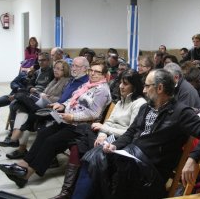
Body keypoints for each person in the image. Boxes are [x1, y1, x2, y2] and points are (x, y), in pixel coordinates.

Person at [71, 69, 200, 198]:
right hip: (132, 157)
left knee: (105, 167)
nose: (143, 90)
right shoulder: (147, 107)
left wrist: (193, 158)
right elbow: (131, 133)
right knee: (93, 157)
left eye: (147, 86)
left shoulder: (181, 112)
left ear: (159, 88)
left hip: (151, 169)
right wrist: (115, 145)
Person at [0, 60, 111, 188]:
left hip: (82, 127)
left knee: (51, 141)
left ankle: (25, 175)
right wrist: (62, 105)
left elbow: (94, 114)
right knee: (43, 133)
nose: (93, 74)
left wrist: (72, 116)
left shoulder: (101, 90)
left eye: (97, 72)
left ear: (104, 75)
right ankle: (23, 164)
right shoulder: (87, 85)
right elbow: (72, 100)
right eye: (92, 70)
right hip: (67, 120)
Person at [51, 69, 146, 199]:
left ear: (134, 87)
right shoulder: (120, 101)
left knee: (88, 151)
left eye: (125, 84)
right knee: (77, 145)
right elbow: (109, 122)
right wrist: (102, 134)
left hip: (121, 140)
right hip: (108, 135)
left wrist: (104, 130)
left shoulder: (139, 104)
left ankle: (74, 194)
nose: (121, 86)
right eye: (120, 83)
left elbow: (130, 132)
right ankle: (67, 192)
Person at [6, 57, 90, 160]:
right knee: (23, 109)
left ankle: (15, 140)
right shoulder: (71, 80)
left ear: (85, 68)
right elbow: (60, 96)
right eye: (73, 65)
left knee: (23, 102)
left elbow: (71, 102)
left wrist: (55, 102)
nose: (73, 68)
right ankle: (20, 146)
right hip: (52, 106)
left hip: (60, 113)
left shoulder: (84, 83)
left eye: (77, 66)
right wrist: (45, 97)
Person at [0, 60, 71, 148]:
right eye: (55, 68)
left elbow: (63, 99)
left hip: (51, 108)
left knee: (21, 97)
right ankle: (15, 141)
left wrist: (46, 97)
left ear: (65, 71)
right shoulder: (54, 80)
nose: (55, 70)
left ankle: (13, 139)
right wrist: (42, 95)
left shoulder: (67, 81)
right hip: (42, 104)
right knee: (21, 108)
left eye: (59, 69)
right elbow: (44, 92)